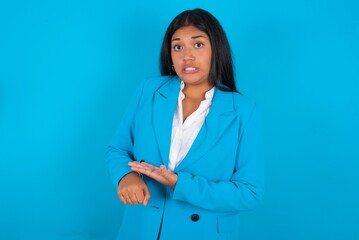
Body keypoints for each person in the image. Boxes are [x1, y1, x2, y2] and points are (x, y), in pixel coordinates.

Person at [106, 8, 264, 240]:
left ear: (216, 50)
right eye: (178, 47)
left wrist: (180, 184)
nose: (187, 56)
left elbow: (249, 193)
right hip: (141, 229)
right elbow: (118, 149)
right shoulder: (148, 90)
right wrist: (124, 176)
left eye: (198, 45)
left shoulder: (242, 111)